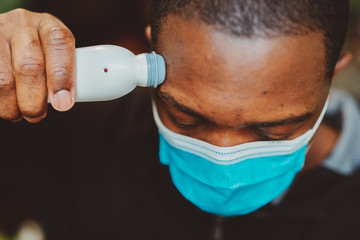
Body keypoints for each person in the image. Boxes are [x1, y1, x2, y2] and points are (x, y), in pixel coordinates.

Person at [0, 0, 359, 239]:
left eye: (273, 128)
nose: (222, 157)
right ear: (151, 54)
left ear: (331, 75)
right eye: (186, 118)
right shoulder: (82, 136)